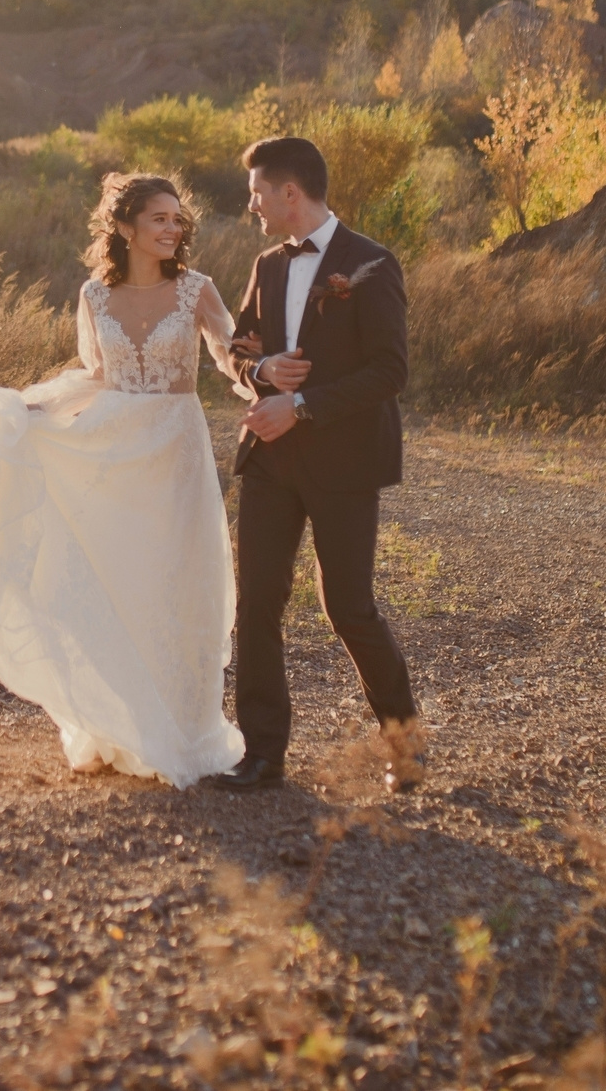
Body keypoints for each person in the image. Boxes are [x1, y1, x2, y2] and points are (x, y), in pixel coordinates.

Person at [0, 173, 247, 786]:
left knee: (178, 583)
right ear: (125, 227)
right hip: (112, 450)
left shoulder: (197, 289)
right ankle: (117, 726)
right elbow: (98, 376)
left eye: (177, 219)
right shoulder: (94, 296)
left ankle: (183, 732)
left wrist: (268, 380)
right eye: (159, 218)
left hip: (175, 452)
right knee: (118, 580)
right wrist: (34, 410)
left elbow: (230, 354)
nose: (172, 229)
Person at [206, 135, 420, 792]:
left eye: (257, 194)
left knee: (348, 607)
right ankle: (262, 755)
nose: (252, 206)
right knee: (256, 603)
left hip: (345, 460)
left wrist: (299, 405)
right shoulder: (267, 264)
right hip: (270, 460)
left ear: (289, 192)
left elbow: (390, 370)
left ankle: (405, 748)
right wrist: (260, 371)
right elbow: (239, 349)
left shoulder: (372, 265)